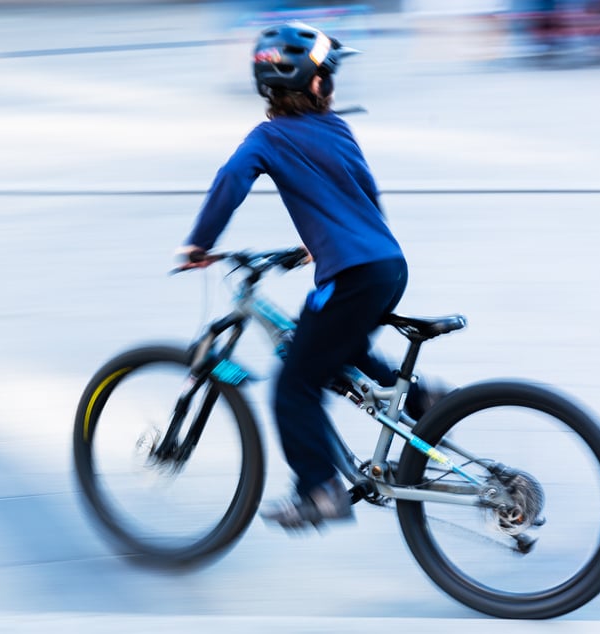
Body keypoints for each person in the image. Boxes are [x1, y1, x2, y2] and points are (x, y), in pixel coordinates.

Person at [177, 22, 443, 530]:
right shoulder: (339, 128)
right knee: (327, 338)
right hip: (387, 265)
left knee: (294, 384)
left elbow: (231, 180)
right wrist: (320, 243)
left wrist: (199, 245)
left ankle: (319, 490)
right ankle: (421, 398)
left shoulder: (268, 137)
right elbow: (361, 194)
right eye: (330, 76)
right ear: (316, 85)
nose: (334, 85)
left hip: (351, 274)